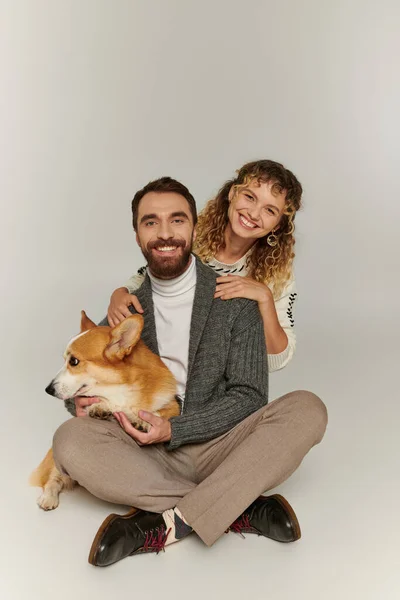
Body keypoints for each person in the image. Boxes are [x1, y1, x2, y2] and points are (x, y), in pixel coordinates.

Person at [54, 177, 327, 568]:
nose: (165, 233)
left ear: (194, 228)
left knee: (309, 409)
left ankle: (166, 524)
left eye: (177, 221)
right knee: (70, 440)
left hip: (222, 441)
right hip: (147, 449)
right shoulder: (128, 309)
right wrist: (83, 403)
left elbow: (250, 395)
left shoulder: (238, 297)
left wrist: (176, 429)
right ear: (136, 235)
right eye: (151, 222)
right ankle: (236, 503)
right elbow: (85, 375)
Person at [107, 160, 302, 372]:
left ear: (279, 224)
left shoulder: (278, 275)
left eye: (270, 210)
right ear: (232, 194)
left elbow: (276, 360)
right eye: (249, 197)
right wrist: (120, 292)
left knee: (307, 404)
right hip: (172, 356)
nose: (254, 214)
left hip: (226, 376)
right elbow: (150, 275)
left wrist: (264, 297)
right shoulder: (193, 237)